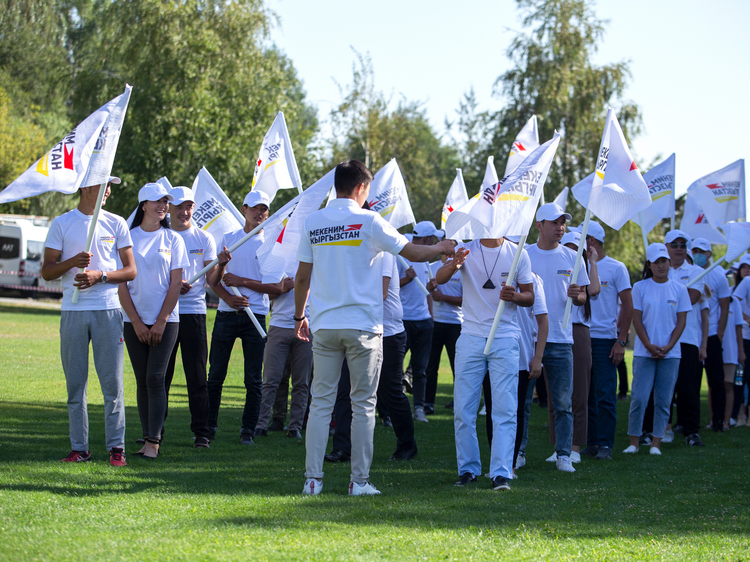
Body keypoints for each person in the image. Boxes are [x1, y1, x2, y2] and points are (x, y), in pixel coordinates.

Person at [294, 159, 455, 496]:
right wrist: (441, 248)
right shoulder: (369, 220)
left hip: (324, 325)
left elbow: (303, 277)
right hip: (363, 327)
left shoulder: (314, 222)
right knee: (363, 405)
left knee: (321, 404)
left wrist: (299, 316)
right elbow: (411, 251)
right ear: (361, 188)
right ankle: (359, 482)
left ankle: (312, 480)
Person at [42, 176, 136, 466]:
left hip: (108, 310)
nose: (108, 190)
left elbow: (131, 271)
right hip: (72, 313)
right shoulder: (62, 223)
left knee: (112, 385)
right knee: (76, 386)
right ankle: (79, 448)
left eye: (110, 186)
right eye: (103, 184)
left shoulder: (117, 222)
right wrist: (72, 262)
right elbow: (47, 272)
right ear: (85, 188)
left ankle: (116, 448)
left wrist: (101, 276)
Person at [436, 235, 534, 491]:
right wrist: (454, 264)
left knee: (505, 409)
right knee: (463, 409)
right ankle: (468, 470)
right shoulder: (465, 249)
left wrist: (514, 296)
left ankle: (501, 473)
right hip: (470, 336)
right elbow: (441, 278)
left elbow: (530, 296)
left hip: (504, 337)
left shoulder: (518, 252)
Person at [205, 190, 290, 446]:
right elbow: (213, 281)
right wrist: (226, 288)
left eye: (264, 209)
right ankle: (208, 428)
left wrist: (243, 282)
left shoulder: (273, 245)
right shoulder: (230, 239)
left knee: (253, 379)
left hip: (257, 317)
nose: (259, 213)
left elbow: (277, 288)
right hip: (226, 315)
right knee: (215, 375)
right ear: (244, 209)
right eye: (254, 208)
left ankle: (248, 431)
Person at [119, 182, 189, 460]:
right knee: (141, 380)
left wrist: (160, 321)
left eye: (165, 201)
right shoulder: (127, 237)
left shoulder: (174, 240)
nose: (163, 206)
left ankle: (154, 442)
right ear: (143, 205)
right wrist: (136, 322)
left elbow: (175, 285)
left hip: (167, 321)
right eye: (157, 201)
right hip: (133, 320)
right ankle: (146, 437)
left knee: (155, 377)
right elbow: (122, 284)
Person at [525, 202, 589, 473]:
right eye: (554, 222)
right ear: (539, 225)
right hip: (528, 339)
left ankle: (564, 454)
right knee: (523, 403)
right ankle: (517, 453)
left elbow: (584, 297)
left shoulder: (573, 258)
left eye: (563, 222)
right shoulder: (524, 255)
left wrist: (579, 297)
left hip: (562, 340)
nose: (560, 227)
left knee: (563, 403)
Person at [162, 186, 216, 448]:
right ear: (169, 208)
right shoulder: (161, 236)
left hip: (194, 312)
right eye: (180, 206)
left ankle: (202, 433)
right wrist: (173, 285)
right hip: (164, 313)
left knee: (196, 376)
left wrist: (222, 264)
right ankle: (154, 431)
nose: (185, 212)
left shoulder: (204, 238)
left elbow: (214, 280)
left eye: (189, 206)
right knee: (161, 376)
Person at [624, 243, 690, 455]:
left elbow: (681, 322)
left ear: (669, 263)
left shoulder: (679, 289)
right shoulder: (640, 287)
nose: (661, 266)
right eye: (656, 262)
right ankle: (634, 442)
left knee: (664, 400)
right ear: (650, 265)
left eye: (664, 261)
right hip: (645, 352)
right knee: (640, 398)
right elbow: (637, 319)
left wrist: (668, 346)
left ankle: (656, 443)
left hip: (670, 354)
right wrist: (648, 345)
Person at [580, 221, 633, 461]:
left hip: (604, 340)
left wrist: (621, 341)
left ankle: (605, 445)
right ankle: (590, 442)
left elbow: (629, 306)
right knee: (585, 394)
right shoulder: (579, 265)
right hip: (581, 338)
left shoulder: (616, 267)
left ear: (591, 241)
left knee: (604, 394)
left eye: (582, 238)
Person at [546, 229, 599, 464]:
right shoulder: (557, 264)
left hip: (577, 331)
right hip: (555, 331)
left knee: (578, 392)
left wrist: (592, 263)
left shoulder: (582, 267)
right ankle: (558, 446)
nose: (571, 252)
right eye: (568, 247)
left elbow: (593, 291)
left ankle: (574, 446)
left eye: (576, 249)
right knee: (554, 393)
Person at [254, 260, 312, 441]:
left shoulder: (315, 260)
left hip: (307, 327)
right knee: (271, 379)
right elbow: (265, 294)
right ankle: (261, 424)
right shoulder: (278, 261)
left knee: (301, 382)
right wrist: (280, 288)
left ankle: (295, 426)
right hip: (279, 325)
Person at [664, 230, 707, 447]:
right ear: (667, 247)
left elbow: (690, 300)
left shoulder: (697, 272)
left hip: (687, 338)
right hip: (663, 337)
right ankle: (664, 428)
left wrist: (667, 296)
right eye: (675, 244)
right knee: (664, 388)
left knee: (689, 387)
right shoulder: (659, 270)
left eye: (683, 244)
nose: (679, 248)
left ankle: (691, 432)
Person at [690, 237, 731, 432]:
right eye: (695, 250)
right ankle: (690, 422)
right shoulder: (690, 273)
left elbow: (724, 307)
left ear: (709, 254)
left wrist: (719, 334)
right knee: (692, 381)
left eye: (701, 251)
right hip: (692, 334)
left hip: (713, 334)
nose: (697, 254)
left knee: (716, 380)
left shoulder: (719, 275)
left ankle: (718, 421)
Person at [399, 221, 437, 422]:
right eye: (433, 238)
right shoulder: (401, 255)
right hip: (403, 320)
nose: (435, 241)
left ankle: (419, 409)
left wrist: (430, 316)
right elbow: (387, 287)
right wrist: (406, 279)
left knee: (421, 369)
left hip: (424, 322)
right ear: (426, 239)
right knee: (395, 367)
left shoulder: (426, 259)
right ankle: (395, 408)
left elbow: (426, 293)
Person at [426, 244, 463, 412]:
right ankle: (428, 404)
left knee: (458, 367)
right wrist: (430, 289)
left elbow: (466, 300)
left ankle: (458, 403)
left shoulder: (462, 269)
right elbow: (424, 292)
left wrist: (443, 297)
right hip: (435, 322)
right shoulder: (432, 267)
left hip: (456, 323)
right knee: (430, 366)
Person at [731, 254, 750, 425]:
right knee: (741, 376)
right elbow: (735, 301)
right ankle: (739, 415)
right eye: (744, 267)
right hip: (745, 336)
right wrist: (747, 318)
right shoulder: (747, 282)